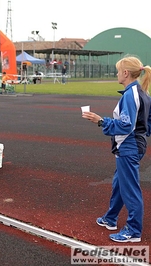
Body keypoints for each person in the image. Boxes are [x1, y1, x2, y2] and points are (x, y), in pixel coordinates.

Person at [82, 56, 151, 243]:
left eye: (118, 70)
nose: (117, 74)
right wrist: (143, 132)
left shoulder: (131, 94)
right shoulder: (142, 92)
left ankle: (134, 231)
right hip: (133, 145)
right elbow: (147, 120)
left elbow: (125, 125)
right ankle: (110, 218)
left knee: (130, 189)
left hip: (129, 146)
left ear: (126, 73)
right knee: (119, 185)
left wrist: (101, 121)